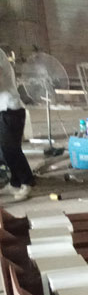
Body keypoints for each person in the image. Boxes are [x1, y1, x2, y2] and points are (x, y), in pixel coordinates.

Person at [0, 50, 34, 201]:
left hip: (10, 109)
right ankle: (15, 183)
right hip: (3, 109)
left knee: (11, 150)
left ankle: (27, 182)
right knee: (4, 151)